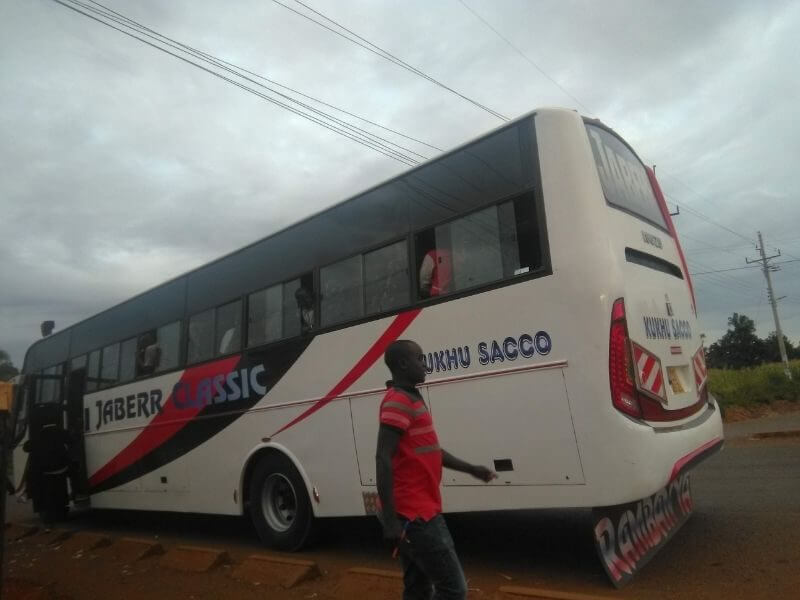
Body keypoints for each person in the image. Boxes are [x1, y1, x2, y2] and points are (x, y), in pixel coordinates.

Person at [376, 340, 496, 600]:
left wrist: (471, 469)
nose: (425, 365)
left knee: (418, 588)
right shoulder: (398, 401)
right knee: (454, 589)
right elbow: (382, 457)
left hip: (419, 509)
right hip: (415, 516)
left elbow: (431, 450)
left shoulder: (412, 399)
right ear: (403, 364)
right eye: (420, 359)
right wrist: (390, 520)